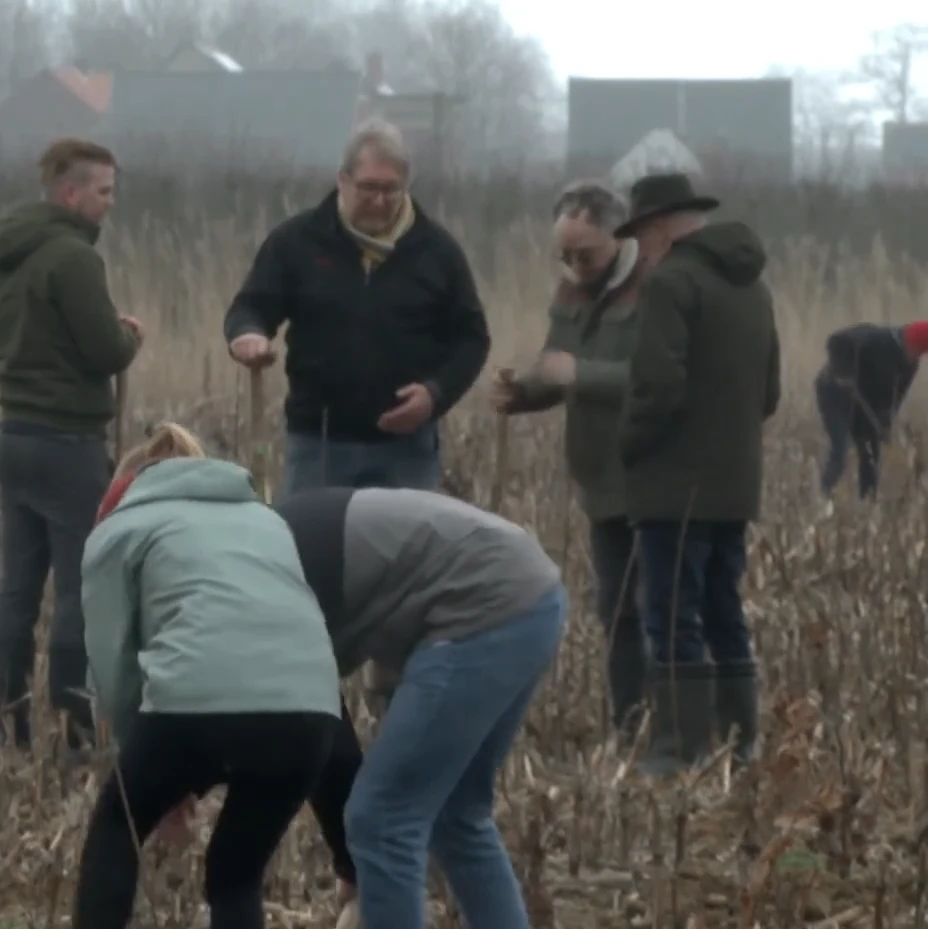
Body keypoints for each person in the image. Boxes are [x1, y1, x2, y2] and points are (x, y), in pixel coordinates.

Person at [0, 423, 360, 929]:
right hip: (310, 713)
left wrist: (151, 772)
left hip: (198, 700)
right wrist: (349, 846)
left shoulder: (123, 527)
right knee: (237, 874)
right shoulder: (266, 522)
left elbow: (114, 666)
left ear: (124, 487)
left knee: (118, 819)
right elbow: (298, 651)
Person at [274, 486, 565, 929]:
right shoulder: (266, 542)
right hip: (530, 597)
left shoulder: (262, 574)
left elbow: (318, 728)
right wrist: (353, 862)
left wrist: (355, 856)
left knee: (383, 817)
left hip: (483, 606)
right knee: (456, 814)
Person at [222, 118, 490, 494]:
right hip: (320, 444)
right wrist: (248, 335)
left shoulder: (437, 252)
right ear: (342, 180)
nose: (379, 201)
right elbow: (251, 306)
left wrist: (435, 394)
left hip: (407, 451)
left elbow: (472, 339)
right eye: (368, 188)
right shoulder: (297, 242)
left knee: (406, 553)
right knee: (312, 552)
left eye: (390, 190)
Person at [0, 136, 144, 752]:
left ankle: (9, 721)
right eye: (103, 192)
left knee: (19, 586)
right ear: (70, 193)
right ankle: (76, 726)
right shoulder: (73, 259)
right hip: (67, 442)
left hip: (15, 436)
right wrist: (129, 338)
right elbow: (103, 350)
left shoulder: (6, 257)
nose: (109, 204)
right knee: (83, 583)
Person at [616, 172, 780, 773]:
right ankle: (742, 746)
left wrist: (629, 446)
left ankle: (677, 751)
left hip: (673, 490)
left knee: (669, 614)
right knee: (722, 609)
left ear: (657, 228)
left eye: (640, 234)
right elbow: (771, 393)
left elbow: (658, 389)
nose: (640, 248)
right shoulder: (753, 287)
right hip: (735, 486)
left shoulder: (672, 283)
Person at [494, 180, 648, 747]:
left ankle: (673, 729)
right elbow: (555, 364)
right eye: (564, 254)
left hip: (655, 475)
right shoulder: (571, 289)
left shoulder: (655, 288)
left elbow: (662, 380)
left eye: (585, 253)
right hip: (600, 479)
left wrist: (580, 375)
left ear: (619, 236)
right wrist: (526, 392)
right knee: (617, 611)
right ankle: (630, 726)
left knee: (662, 610)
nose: (573, 265)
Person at [815, 320, 928, 500]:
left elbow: (893, 399)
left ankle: (867, 502)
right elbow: (836, 341)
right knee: (841, 448)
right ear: (910, 342)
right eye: (915, 350)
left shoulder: (910, 365)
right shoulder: (879, 340)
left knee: (870, 452)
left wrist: (885, 424)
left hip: (864, 399)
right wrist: (845, 372)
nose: (914, 356)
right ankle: (822, 496)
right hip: (834, 391)